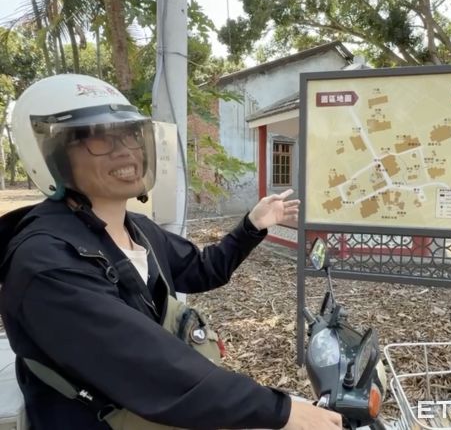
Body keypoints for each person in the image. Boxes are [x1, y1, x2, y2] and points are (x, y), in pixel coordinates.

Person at [0, 74, 342, 430]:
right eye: (98, 139)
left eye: (130, 135)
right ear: (49, 156)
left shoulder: (139, 229)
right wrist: (279, 411)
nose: (125, 150)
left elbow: (202, 269)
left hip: (149, 407)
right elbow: (145, 363)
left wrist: (251, 226)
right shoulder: (46, 261)